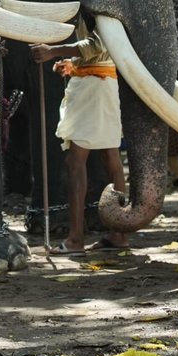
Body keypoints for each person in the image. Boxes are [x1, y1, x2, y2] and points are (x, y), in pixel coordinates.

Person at [31, 24, 129, 253]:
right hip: (103, 86)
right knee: (111, 159)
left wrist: (53, 51)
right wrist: (74, 65)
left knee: (76, 162)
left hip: (93, 89)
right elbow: (97, 53)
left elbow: (96, 44)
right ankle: (119, 234)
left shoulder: (101, 6)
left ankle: (75, 239)